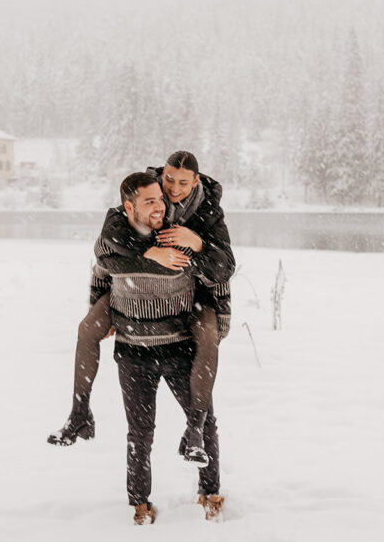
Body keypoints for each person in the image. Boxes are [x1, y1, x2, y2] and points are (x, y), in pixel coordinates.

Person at [48, 152, 233, 468]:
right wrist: (149, 254)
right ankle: (80, 414)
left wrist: (197, 243)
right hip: (131, 292)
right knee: (87, 329)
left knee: (208, 337)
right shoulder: (144, 194)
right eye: (168, 180)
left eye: (182, 183)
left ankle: (196, 430)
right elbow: (108, 248)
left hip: (194, 292)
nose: (173, 189)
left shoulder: (207, 213)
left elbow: (223, 268)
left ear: (197, 181)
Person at [97, 171, 234, 523]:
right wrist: (99, 310)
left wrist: (220, 322)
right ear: (129, 206)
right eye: (151, 201)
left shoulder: (179, 234)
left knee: (204, 423)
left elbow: (215, 277)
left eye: (161, 199)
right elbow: (99, 273)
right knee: (140, 432)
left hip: (180, 348)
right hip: (132, 349)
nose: (161, 205)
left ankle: (210, 491)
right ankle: (140, 502)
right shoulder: (114, 240)